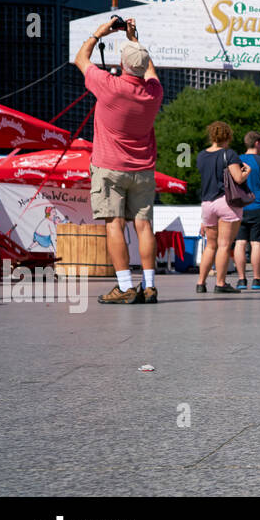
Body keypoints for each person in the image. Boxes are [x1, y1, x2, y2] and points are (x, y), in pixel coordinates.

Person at [73, 17, 165, 305]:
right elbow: (149, 70)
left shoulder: (108, 85)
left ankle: (125, 286)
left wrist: (99, 33)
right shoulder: (154, 93)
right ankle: (149, 286)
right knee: (144, 226)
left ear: (123, 64)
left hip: (110, 167)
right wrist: (135, 39)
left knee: (114, 224)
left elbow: (81, 59)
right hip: (144, 170)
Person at [195, 121, 250, 294]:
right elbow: (238, 178)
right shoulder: (229, 154)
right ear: (228, 136)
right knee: (224, 245)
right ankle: (220, 283)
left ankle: (200, 283)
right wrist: (247, 171)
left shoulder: (201, 156)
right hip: (226, 202)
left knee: (210, 245)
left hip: (207, 204)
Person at [234, 130, 260, 290]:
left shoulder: (236, 160)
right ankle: (257, 279)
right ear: (257, 143)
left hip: (239, 207)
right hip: (258, 206)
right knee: (256, 243)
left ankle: (241, 280)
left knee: (240, 242)